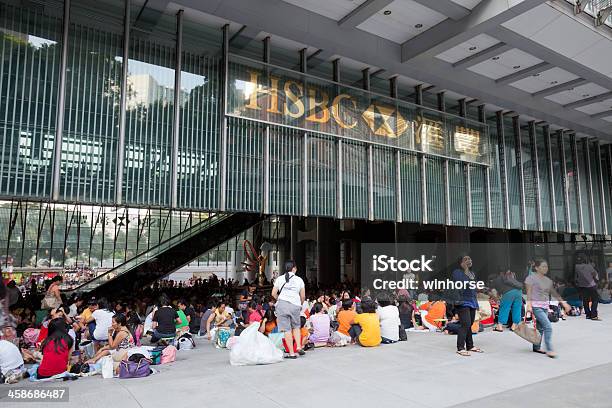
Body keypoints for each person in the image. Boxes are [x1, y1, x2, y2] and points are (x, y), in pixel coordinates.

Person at [525, 258, 571, 358]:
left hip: (545, 306)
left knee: (541, 328)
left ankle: (536, 347)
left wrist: (564, 303)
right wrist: (529, 305)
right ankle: (549, 349)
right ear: (536, 268)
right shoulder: (531, 278)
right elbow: (528, 292)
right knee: (548, 327)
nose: (546, 268)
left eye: (546, 266)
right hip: (536, 307)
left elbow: (554, 293)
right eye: (543, 266)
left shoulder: (547, 280)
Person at [271, 260, 306, 359]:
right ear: (294, 268)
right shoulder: (299, 280)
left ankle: (291, 353)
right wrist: (300, 304)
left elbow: (273, 294)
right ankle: (298, 346)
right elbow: (302, 296)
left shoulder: (280, 278)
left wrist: (281, 300)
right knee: (296, 327)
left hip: (282, 305)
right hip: (295, 305)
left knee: (287, 330)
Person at [452, 255, 482, 356]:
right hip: (462, 301)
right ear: (461, 263)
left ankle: (470, 346)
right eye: (466, 259)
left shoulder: (472, 273)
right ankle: (460, 348)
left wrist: (476, 303)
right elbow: (461, 283)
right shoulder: (457, 272)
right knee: (465, 324)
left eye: (470, 258)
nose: (469, 260)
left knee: (469, 324)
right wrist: (465, 270)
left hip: (472, 301)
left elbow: (473, 288)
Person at [575, 256, 601, 321]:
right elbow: (595, 274)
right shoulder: (589, 266)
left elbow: (575, 277)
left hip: (582, 286)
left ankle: (588, 315)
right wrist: (596, 279)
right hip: (591, 285)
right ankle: (593, 315)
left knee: (585, 300)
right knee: (595, 299)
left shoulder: (576, 267)